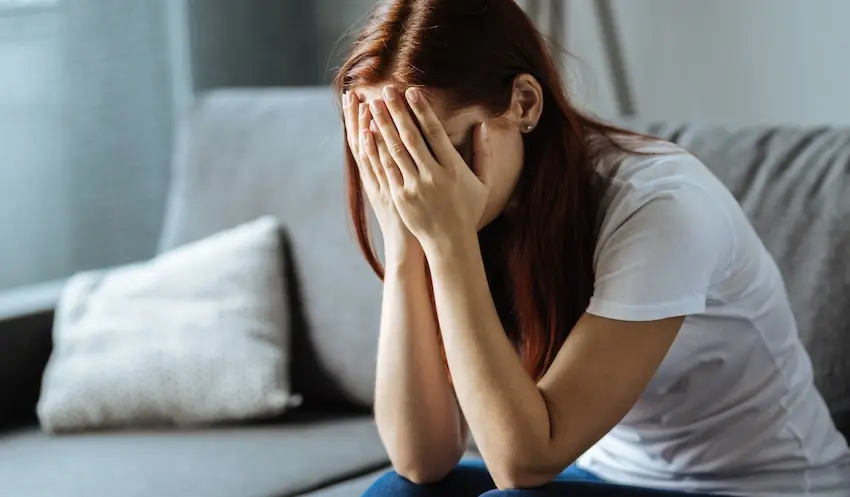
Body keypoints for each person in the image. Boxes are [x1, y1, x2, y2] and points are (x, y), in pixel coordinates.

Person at [334, 1, 850, 496]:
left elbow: (523, 462)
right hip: (609, 475)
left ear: (524, 104)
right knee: (396, 491)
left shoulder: (662, 206)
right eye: (392, 154)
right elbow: (421, 460)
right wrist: (406, 242)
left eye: (436, 147)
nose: (416, 183)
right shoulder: (464, 209)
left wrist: (447, 246)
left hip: (754, 486)